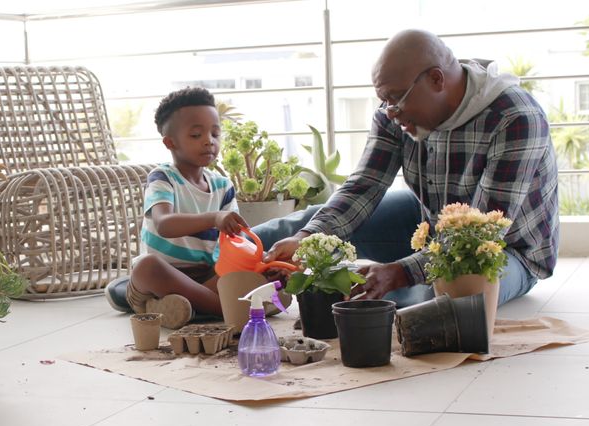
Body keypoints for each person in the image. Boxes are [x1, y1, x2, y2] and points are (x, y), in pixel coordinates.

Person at [255, 29, 559, 307]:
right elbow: (365, 186)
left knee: (443, 294)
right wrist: (308, 237)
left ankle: (360, 296)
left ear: (437, 80)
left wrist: (399, 273)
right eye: (384, 100)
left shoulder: (515, 119)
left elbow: (480, 236)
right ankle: (221, 258)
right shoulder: (394, 112)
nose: (390, 111)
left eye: (396, 98)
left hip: (504, 251)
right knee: (312, 226)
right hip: (428, 223)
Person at [105, 87, 248, 329]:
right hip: (165, 275)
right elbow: (164, 224)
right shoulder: (162, 178)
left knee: (247, 269)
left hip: (206, 275)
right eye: (196, 135)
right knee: (146, 267)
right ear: (170, 142)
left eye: (215, 133)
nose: (209, 141)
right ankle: (225, 309)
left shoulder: (223, 186)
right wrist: (214, 217)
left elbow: (236, 239)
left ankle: (184, 307)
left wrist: (258, 261)